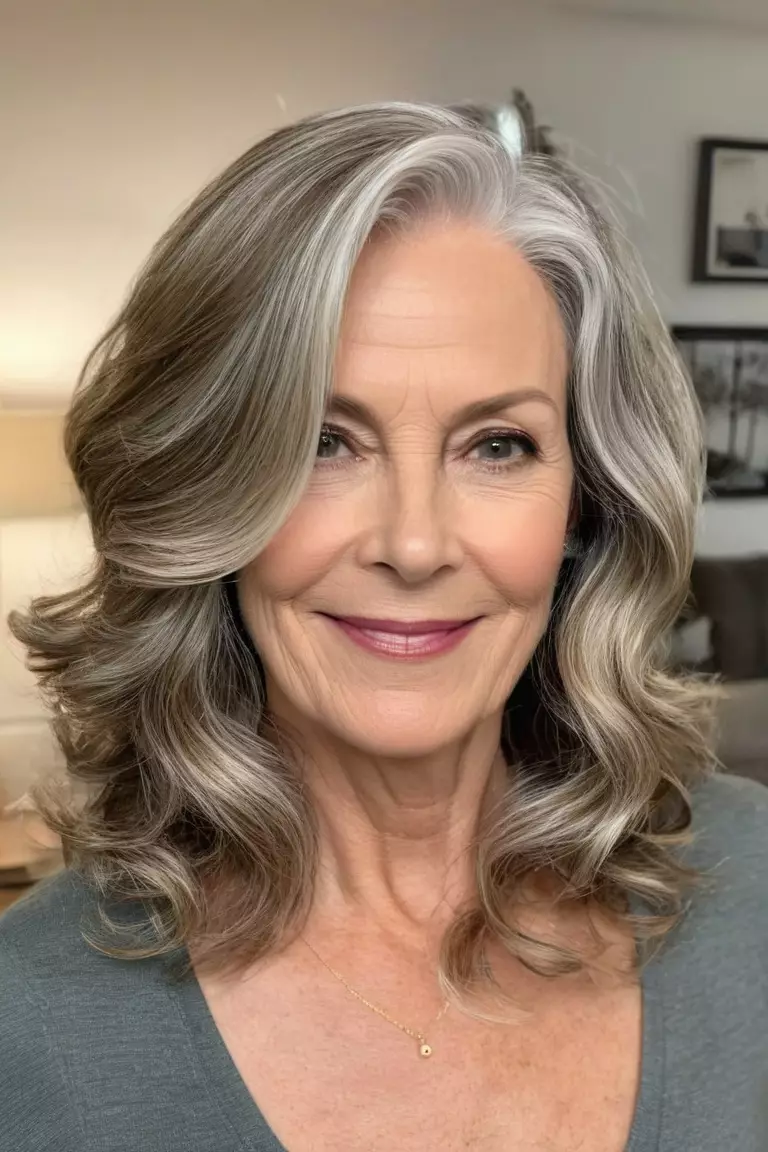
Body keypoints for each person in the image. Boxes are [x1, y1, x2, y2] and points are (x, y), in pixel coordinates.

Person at [1, 102, 766, 1152]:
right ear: (208, 496)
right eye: (324, 440)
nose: (414, 545)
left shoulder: (753, 886)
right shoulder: (29, 1030)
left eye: (497, 445)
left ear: (585, 500)